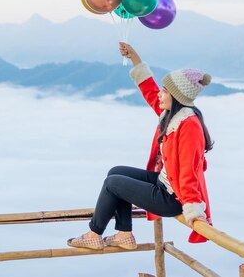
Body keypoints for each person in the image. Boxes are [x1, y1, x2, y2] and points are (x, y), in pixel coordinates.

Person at [66, 42, 214, 250]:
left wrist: (194, 211)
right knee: (115, 172)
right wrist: (135, 57)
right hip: (164, 183)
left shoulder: (189, 126)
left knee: (113, 183)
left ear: (177, 97)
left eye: (164, 91)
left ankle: (94, 233)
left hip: (173, 197)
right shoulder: (171, 116)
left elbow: (189, 170)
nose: (160, 95)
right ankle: (124, 234)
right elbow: (149, 90)